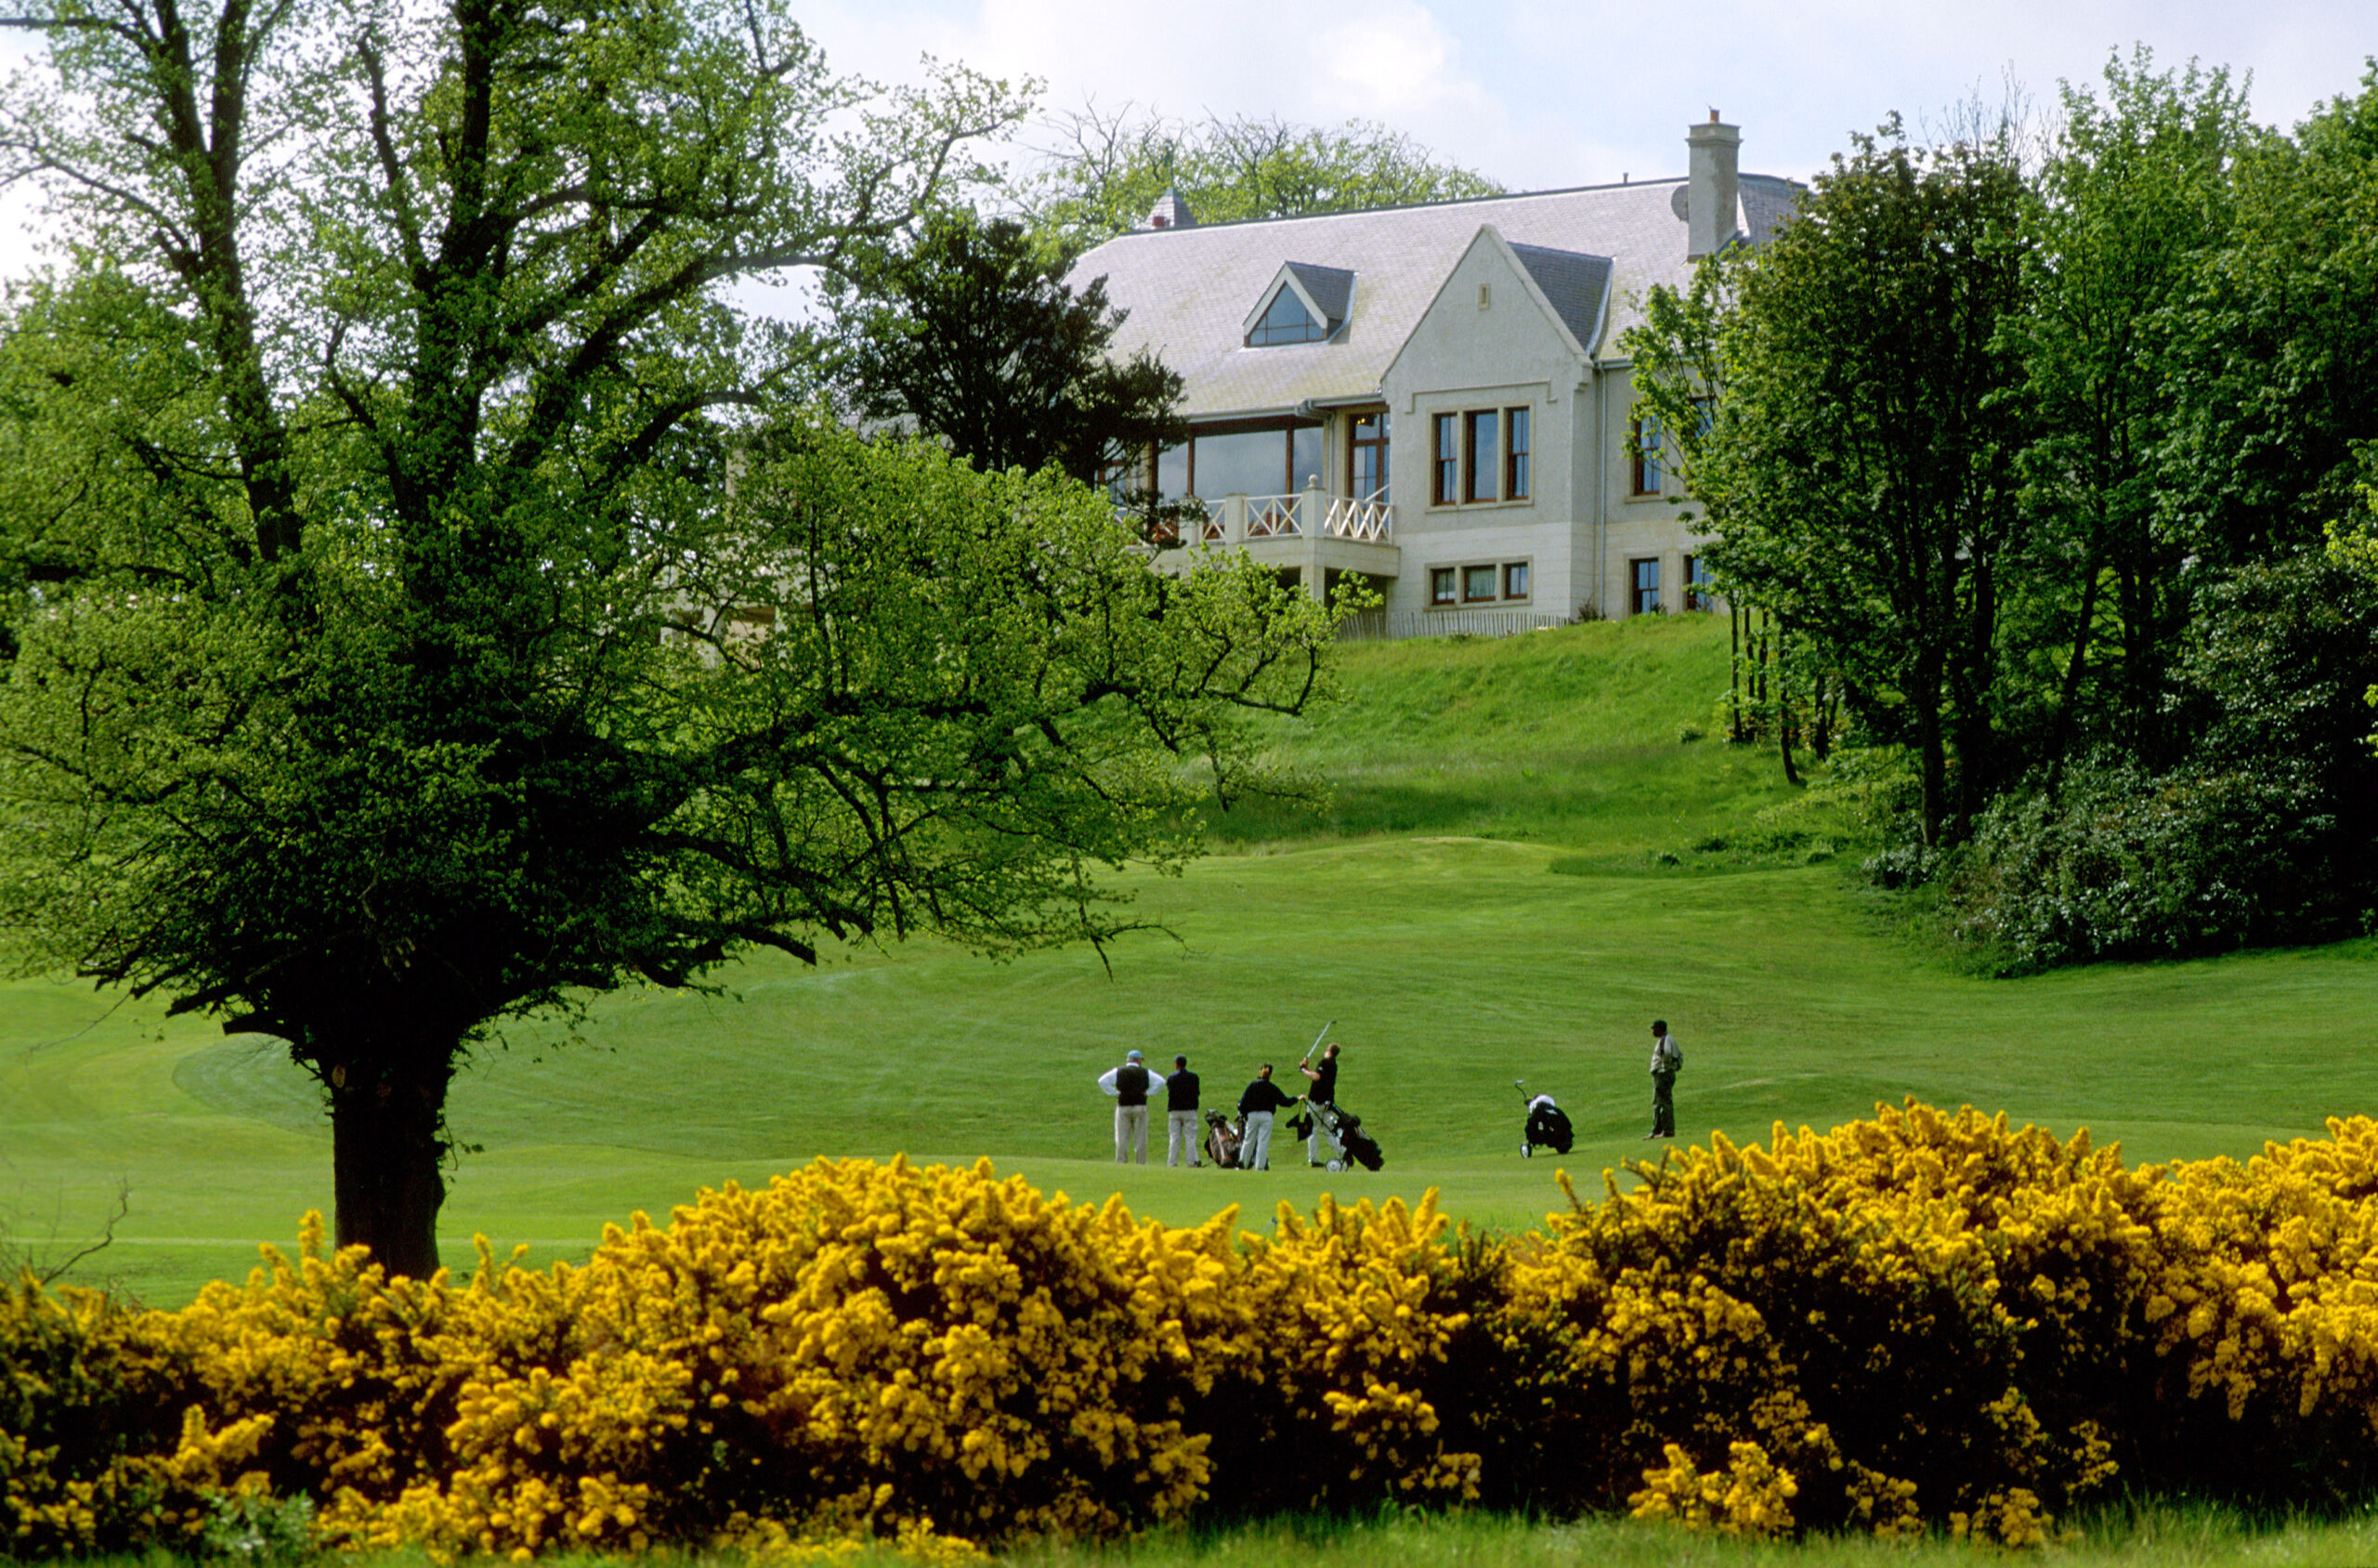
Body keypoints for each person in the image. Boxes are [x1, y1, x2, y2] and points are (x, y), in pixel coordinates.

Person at [1098, 1049, 1158, 1163]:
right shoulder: (1145, 1072)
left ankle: (1121, 1161)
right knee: (1140, 1137)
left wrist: (1115, 1093)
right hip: (1140, 1106)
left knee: (1121, 1137)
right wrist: (1149, 1093)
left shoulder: (1118, 1071)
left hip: (1123, 1106)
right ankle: (1141, 1162)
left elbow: (1102, 1081)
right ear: (1138, 1061)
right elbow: (1160, 1081)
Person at [1236, 1063, 1297, 1170]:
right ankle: (1259, 1166)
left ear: (1260, 1071)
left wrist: (1245, 1115)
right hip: (1267, 1116)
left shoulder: (1252, 1086)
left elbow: (1242, 1103)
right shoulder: (1272, 1088)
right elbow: (1284, 1101)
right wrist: (1297, 1098)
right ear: (1271, 1075)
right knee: (1263, 1142)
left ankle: (1243, 1163)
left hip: (1252, 1115)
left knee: (1248, 1140)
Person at [1300, 1040, 1342, 1167]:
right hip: (1327, 1102)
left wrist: (1303, 1069)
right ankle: (1342, 1153)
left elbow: (1316, 1077)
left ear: (1329, 1051)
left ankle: (1313, 1159)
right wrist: (1306, 1069)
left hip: (1316, 1102)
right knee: (1329, 1131)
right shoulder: (1334, 1064)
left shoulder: (1325, 1062)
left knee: (1313, 1130)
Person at [1645, 1019, 1682, 1139]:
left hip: (1662, 1074)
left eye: (1654, 1029)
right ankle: (1659, 1130)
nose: (1653, 1031)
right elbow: (1680, 1056)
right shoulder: (1671, 1039)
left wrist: (1665, 1066)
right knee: (1661, 1101)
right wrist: (1675, 1067)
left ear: (1660, 1029)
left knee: (1662, 1102)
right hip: (1667, 1073)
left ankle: (1666, 1131)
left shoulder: (1664, 1040)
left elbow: (1666, 1053)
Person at [1164, 1053, 1202, 1167]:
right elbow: (1197, 1092)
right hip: (1190, 1110)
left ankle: (1172, 1162)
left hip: (1175, 1110)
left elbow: (1170, 1092)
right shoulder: (1194, 1077)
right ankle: (1191, 1162)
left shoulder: (1171, 1078)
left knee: (1174, 1137)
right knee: (1190, 1137)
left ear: (1176, 1064)